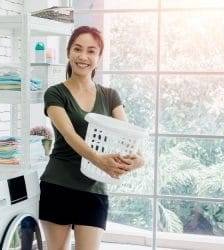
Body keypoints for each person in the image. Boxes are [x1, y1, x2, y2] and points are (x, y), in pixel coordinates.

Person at [39, 26, 145, 250]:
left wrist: (139, 160)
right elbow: (69, 135)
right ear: (68, 52)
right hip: (59, 184)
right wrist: (99, 160)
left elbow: (128, 136)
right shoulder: (55, 93)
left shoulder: (110, 95)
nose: (83, 56)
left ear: (98, 57)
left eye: (91, 51)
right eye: (77, 49)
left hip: (94, 189)